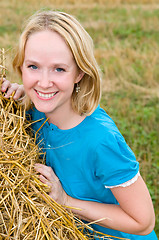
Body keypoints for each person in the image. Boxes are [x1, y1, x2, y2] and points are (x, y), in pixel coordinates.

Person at [1, 10, 157, 240]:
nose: (44, 82)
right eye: (33, 67)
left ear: (79, 73)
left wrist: (66, 201)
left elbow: (142, 222)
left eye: (59, 69)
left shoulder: (100, 140)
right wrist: (16, 98)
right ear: (20, 67)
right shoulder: (31, 111)